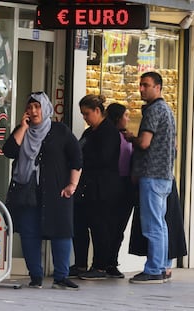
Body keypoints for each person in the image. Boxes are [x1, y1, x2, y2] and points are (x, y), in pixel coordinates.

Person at [2, 91, 82, 290]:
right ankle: (35, 277)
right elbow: (9, 152)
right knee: (29, 233)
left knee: (61, 231)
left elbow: (76, 158)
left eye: (37, 106)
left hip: (57, 192)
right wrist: (23, 127)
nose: (34, 110)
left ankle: (61, 277)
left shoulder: (60, 130)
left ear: (46, 108)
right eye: (30, 107)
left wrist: (72, 185)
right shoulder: (22, 131)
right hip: (27, 192)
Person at [123, 71, 176, 284]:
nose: (141, 89)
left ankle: (154, 269)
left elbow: (145, 143)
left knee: (153, 225)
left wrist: (131, 138)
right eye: (141, 85)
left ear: (158, 87)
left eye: (146, 85)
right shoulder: (168, 110)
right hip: (164, 176)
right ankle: (162, 266)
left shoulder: (154, 110)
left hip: (152, 175)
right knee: (160, 223)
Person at [72, 94, 122, 280]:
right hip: (86, 187)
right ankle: (80, 263)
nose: (85, 118)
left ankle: (100, 266)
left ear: (97, 111)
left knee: (100, 227)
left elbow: (103, 158)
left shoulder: (109, 132)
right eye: (82, 114)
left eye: (87, 113)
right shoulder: (89, 133)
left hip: (103, 188)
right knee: (80, 225)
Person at [104, 103, 134, 278]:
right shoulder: (110, 136)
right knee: (108, 225)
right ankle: (105, 261)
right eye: (126, 115)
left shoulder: (128, 137)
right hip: (112, 183)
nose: (128, 119)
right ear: (117, 118)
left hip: (127, 185)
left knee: (119, 228)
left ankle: (112, 262)